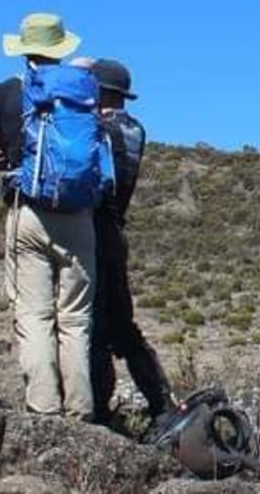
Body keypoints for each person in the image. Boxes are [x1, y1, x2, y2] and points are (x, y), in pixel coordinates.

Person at [0, 12, 97, 420]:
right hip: (80, 214)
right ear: (61, 47)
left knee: (33, 315)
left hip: (27, 211)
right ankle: (82, 411)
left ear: (24, 48)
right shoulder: (84, 91)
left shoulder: (1, 94)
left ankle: (43, 411)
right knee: (77, 320)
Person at [73, 56, 174, 423]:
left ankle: (98, 408)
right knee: (124, 324)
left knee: (95, 324)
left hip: (96, 231)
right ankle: (161, 400)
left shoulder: (98, 130)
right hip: (117, 233)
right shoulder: (134, 130)